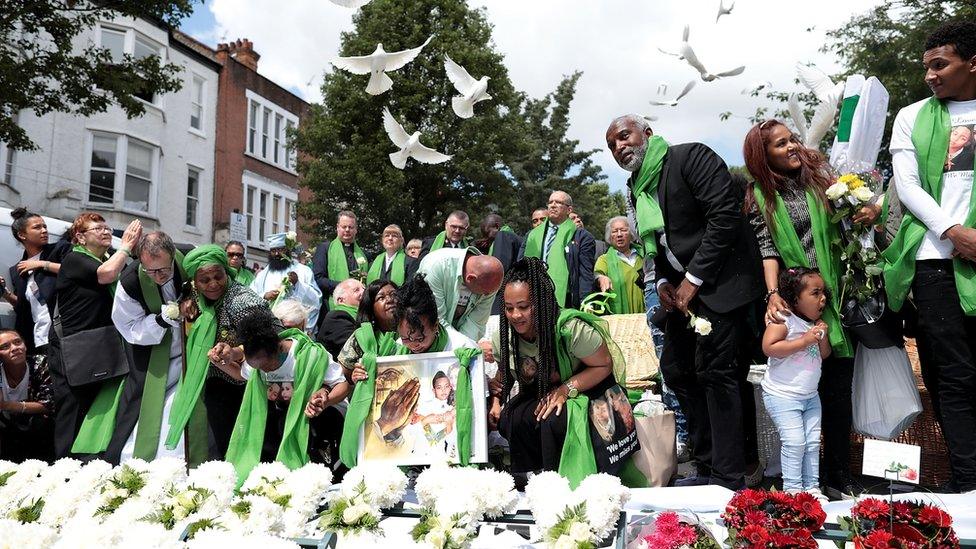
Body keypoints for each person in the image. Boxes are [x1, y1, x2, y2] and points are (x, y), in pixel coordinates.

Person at [607, 114, 763, 489]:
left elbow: (724, 217)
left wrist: (692, 280)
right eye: (611, 145)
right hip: (680, 293)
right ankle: (708, 462)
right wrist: (660, 280)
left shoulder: (690, 157)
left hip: (721, 285)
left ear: (648, 133)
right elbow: (657, 243)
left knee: (718, 373)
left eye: (624, 137)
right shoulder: (636, 188)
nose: (619, 147)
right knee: (677, 370)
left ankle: (729, 476)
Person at [743, 119, 882, 497]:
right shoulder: (758, 195)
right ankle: (803, 483)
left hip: (833, 295)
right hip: (797, 302)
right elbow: (767, 249)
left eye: (793, 140)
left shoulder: (821, 178)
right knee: (802, 394)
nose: (791, 147)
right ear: (763, 154)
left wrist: (866, 210)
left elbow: (847, 227)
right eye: (780, 144)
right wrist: (774, 295)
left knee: (838, 391)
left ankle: (839, 473)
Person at [883, 21, 976, 493]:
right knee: (953, 375)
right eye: (926, 67)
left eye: (940, 65)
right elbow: (908, 184)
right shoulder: (911, 115)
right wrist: (954, 232)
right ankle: (968, 481)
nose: (930, 76)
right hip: (935, 260)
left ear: (972, 62)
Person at [488, 258, 644, 486]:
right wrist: (495, 400)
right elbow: (504, 375)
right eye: (509, 308)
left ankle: (559, 481)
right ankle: (532, 477)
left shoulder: (570, 329)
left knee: (553, 417)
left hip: (588, 391)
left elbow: (603, 365)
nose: (516, 315)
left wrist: (565, 389)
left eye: (523, 307)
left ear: (540, 303)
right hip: (542, 391)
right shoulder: (504, 336)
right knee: (512, 417)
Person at [71, 232, 200, 464]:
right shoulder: (130, 281)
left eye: (164, 270)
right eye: (151, 271)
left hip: (191, 347)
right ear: (141, 260)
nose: (158, 277)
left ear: (172, 256)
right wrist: (164, 318)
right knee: (142, 401)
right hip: (151, 350)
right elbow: (128, 326)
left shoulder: (189, 256)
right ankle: (134, 455)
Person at [47, 213, 141, 457]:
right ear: (80, 237)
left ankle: (90, 463)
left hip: (100, 346)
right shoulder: (75, 259)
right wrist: (128, 246)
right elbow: (106, 274)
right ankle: (64, 466)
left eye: (107, 227)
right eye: (97, 228)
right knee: (73, 409)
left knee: (94, 409)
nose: (105, 231)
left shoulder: (111, 257)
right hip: (73, 348)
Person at [166, 244, 272, 460]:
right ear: (196, 281)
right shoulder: (194, 293)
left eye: (219, 276)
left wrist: (234, 352)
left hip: (248, 383)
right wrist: (185, 302)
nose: (213, 284)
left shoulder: (242, 301)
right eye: (205, 280)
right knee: (221, 445)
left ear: (227, 271)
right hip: (213, 382)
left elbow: (265, 340)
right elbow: (184, 294)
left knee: (253, 444)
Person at [224, 308, 339, 481]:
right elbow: (242, 374)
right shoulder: (258, 358)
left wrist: (325, 400)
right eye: (258, 369)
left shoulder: (310, 355)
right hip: (281, 425)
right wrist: (220, 363)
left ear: (279, 348)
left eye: (267, 367)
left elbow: (342, 384)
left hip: (316, 425)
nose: (263, 372)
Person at [761, 267, 832, 501]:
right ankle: (792, 491)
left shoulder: (816, 324)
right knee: (794, 442)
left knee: (812, 442)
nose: (822, 299)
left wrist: (821, 337)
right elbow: (770, 347)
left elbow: (824, 355)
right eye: (815, 293)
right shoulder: (783, 319)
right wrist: (805, 340)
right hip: (782, 395)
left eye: (823, 293)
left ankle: (812, 488)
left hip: (811, 396)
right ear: (794, 299)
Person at [1, 208, 69, 356]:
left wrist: (41, 264)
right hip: (36, 339)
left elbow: (75, 270)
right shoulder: (17, 270)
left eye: (44, 226)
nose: (44, 230)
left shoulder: (59, 250)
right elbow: (23, 307)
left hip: (62, 335)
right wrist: (5, 293)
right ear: (21, 235)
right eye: (37, 227)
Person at [519, 191, 596, 309]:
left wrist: (585, 303)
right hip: (535, 297)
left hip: (566, 299)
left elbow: (585, 274)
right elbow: (520, 266)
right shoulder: (532, 235)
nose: (553, 205)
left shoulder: (582, 237)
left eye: (558, 202)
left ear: (569, 210)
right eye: (550, 202)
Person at [418, 247, 504, 341]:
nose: (487, 295)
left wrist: (464, 347)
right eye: (485, 292)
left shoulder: (490, 281)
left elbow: (476, 323)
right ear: (470, 278)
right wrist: (457, 345)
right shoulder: (435, 266)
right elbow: (436, 320)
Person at [0, 329, 54, 462]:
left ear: (25, 345)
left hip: (36, 425)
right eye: (5, 347)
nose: (14, 348)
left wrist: (7, 405)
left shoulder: (41, 364)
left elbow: (48, 404)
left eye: (18, 342)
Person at [252, 232, 322, 329]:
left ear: (288, 250)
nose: (277, 254)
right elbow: (250, 296)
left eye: (280, 250)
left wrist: (297, 284)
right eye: (273, 250)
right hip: (270, 327)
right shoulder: (262, 275)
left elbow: (316, 300)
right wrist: (265, 295)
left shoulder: (304, 271)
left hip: (296, 327)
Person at [312, 211, 369, 311]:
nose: (347, 230)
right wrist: (344, 288)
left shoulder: (364, 254)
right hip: (331, 304)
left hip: (359, 305)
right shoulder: (325, 248)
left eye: (351, 227)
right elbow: (319, 279)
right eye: (344, 227)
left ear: (356, 229)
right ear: (337, 227)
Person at [594, 216, 646, 314]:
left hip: (648, 312)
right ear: (610, 236)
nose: (619, 234)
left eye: (623, 230)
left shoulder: (644, 255)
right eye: (614, 231)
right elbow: (597, 274)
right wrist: (601, 278)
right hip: (620, 320)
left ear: (631, 234)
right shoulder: (604, 260)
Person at [475, 214, 524, 316]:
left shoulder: (503, 235)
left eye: (487, 233)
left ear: (497, 226)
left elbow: (498, 268)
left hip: (501, 296)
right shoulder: (515, 237)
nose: (486, 238)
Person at [316, 278, 365, 359]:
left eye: (364, 288)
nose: (363, 292)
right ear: (341, 300)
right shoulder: (337, 318)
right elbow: (358, 349)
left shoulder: (363, 315)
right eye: (356, 290)